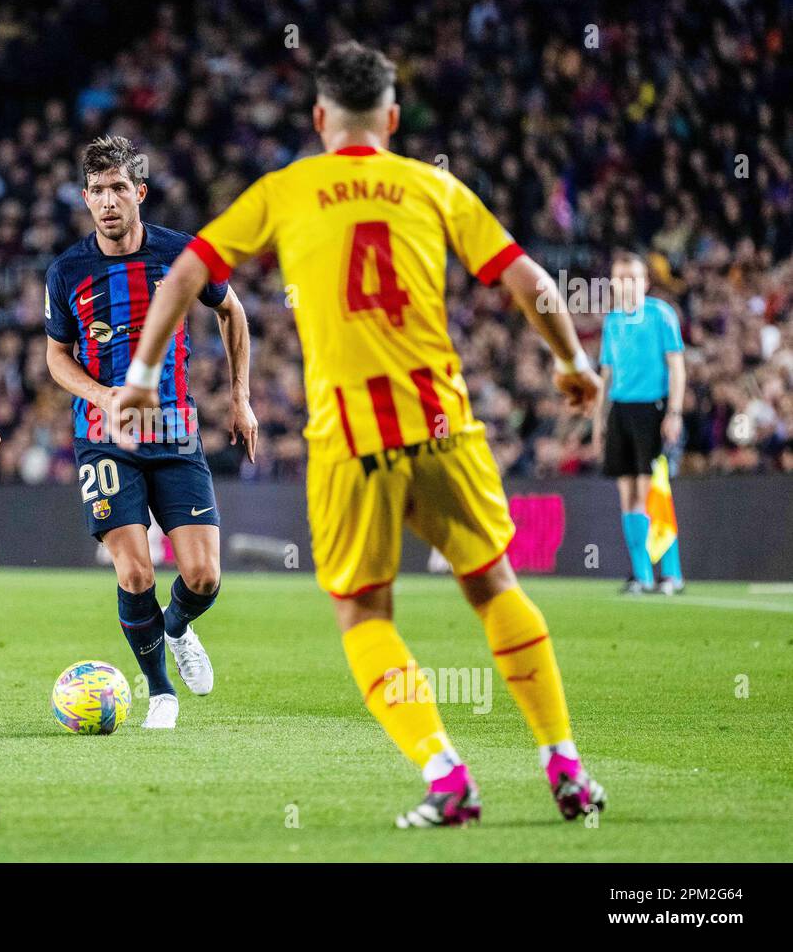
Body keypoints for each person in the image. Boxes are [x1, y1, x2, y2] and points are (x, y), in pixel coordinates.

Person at [114, 43, 607, 826]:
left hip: (349, 440)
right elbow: (533, 282)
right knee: (494, 587)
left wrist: (141, 376)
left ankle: (446, 777)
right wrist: (573, 363)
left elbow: (184, 277)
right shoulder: (432, 184)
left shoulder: (285, 189)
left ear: (319, 118)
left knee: (366, 614)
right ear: (393, 118)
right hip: (443, 427)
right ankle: (566, 765)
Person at [44, 136, 257, 729]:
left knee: (203, 577)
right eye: (97, 191)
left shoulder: (182, 254)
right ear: (85, 198)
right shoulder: (67, 271)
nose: (108, 201)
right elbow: (56, 356)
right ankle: (160, 692)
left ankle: (177, 628)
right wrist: (101, 395)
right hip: (104, 435)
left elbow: (232, 310)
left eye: (119, 188)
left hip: (175, 432)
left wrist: (241, 399)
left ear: (139, 192)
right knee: (135, 571)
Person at [592, 251, 687, 594]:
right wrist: (598, 421)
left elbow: (676, 366)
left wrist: (674, 412)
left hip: (653, 409)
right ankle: (642, 574)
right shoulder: (613, 322)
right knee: (627, 492)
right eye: (620, 278)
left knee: (652, 492)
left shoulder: (661, 315)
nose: (627, 284)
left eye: (633, 278)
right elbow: (606, 375)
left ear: (645, 282)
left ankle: (672, 573)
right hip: (621, 410)